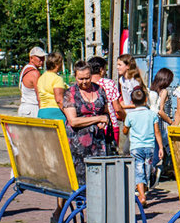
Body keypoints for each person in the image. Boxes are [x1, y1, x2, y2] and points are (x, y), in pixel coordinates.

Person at [62, 61, 110, 190]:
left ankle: (97, 207)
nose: (84, 81)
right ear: (75, 77)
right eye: (81, 79)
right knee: (79, 180)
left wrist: (104, 120)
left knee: (99, 178)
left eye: (87, 78)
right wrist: (98, 118)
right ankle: (78, 206)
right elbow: (73, 121)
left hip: (98, 143)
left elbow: (106, 112)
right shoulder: (70, 93)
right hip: (78, 145)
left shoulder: (100, 90)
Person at [123, 88, 162, 205]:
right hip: (150, 147)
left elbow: (125, 130)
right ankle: (144, 189)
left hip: (136, 147)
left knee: (138, 170)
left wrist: (126, 130)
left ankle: (142, 195)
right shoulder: (152, 114)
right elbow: (157, 132)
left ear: (131, 101)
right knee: (146, 169)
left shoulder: (130, 115)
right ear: (146, 100)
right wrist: (160, 147)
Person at [88, 56, 125, 148]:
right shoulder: (109, 83)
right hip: (109, 125)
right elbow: (116, 107)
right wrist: (126, 117)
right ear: (101, 69)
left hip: (90, 124)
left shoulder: (86, 84)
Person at [148, 68, 174, 184]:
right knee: (164, 148)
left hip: (154, 123)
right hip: (163, 124)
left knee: (156, 148)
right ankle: (156, 170)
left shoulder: (152, 90)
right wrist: (171, 122)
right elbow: (161, 111)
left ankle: (152, 171)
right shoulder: (165, 92)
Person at [36, 51, 67, 121]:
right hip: (55, 112)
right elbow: (59, 100)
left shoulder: (41, 78)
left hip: (42, 111)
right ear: (57, 64)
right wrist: (68, 114)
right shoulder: (57, 79)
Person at [17, 46, 45, 117]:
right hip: (33, 108)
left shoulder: (24, 69)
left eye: (43, 57)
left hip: (23, 107)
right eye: (39, 57)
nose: (42, 60)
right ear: (31, 58)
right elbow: (39, 95)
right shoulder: (35, 73)